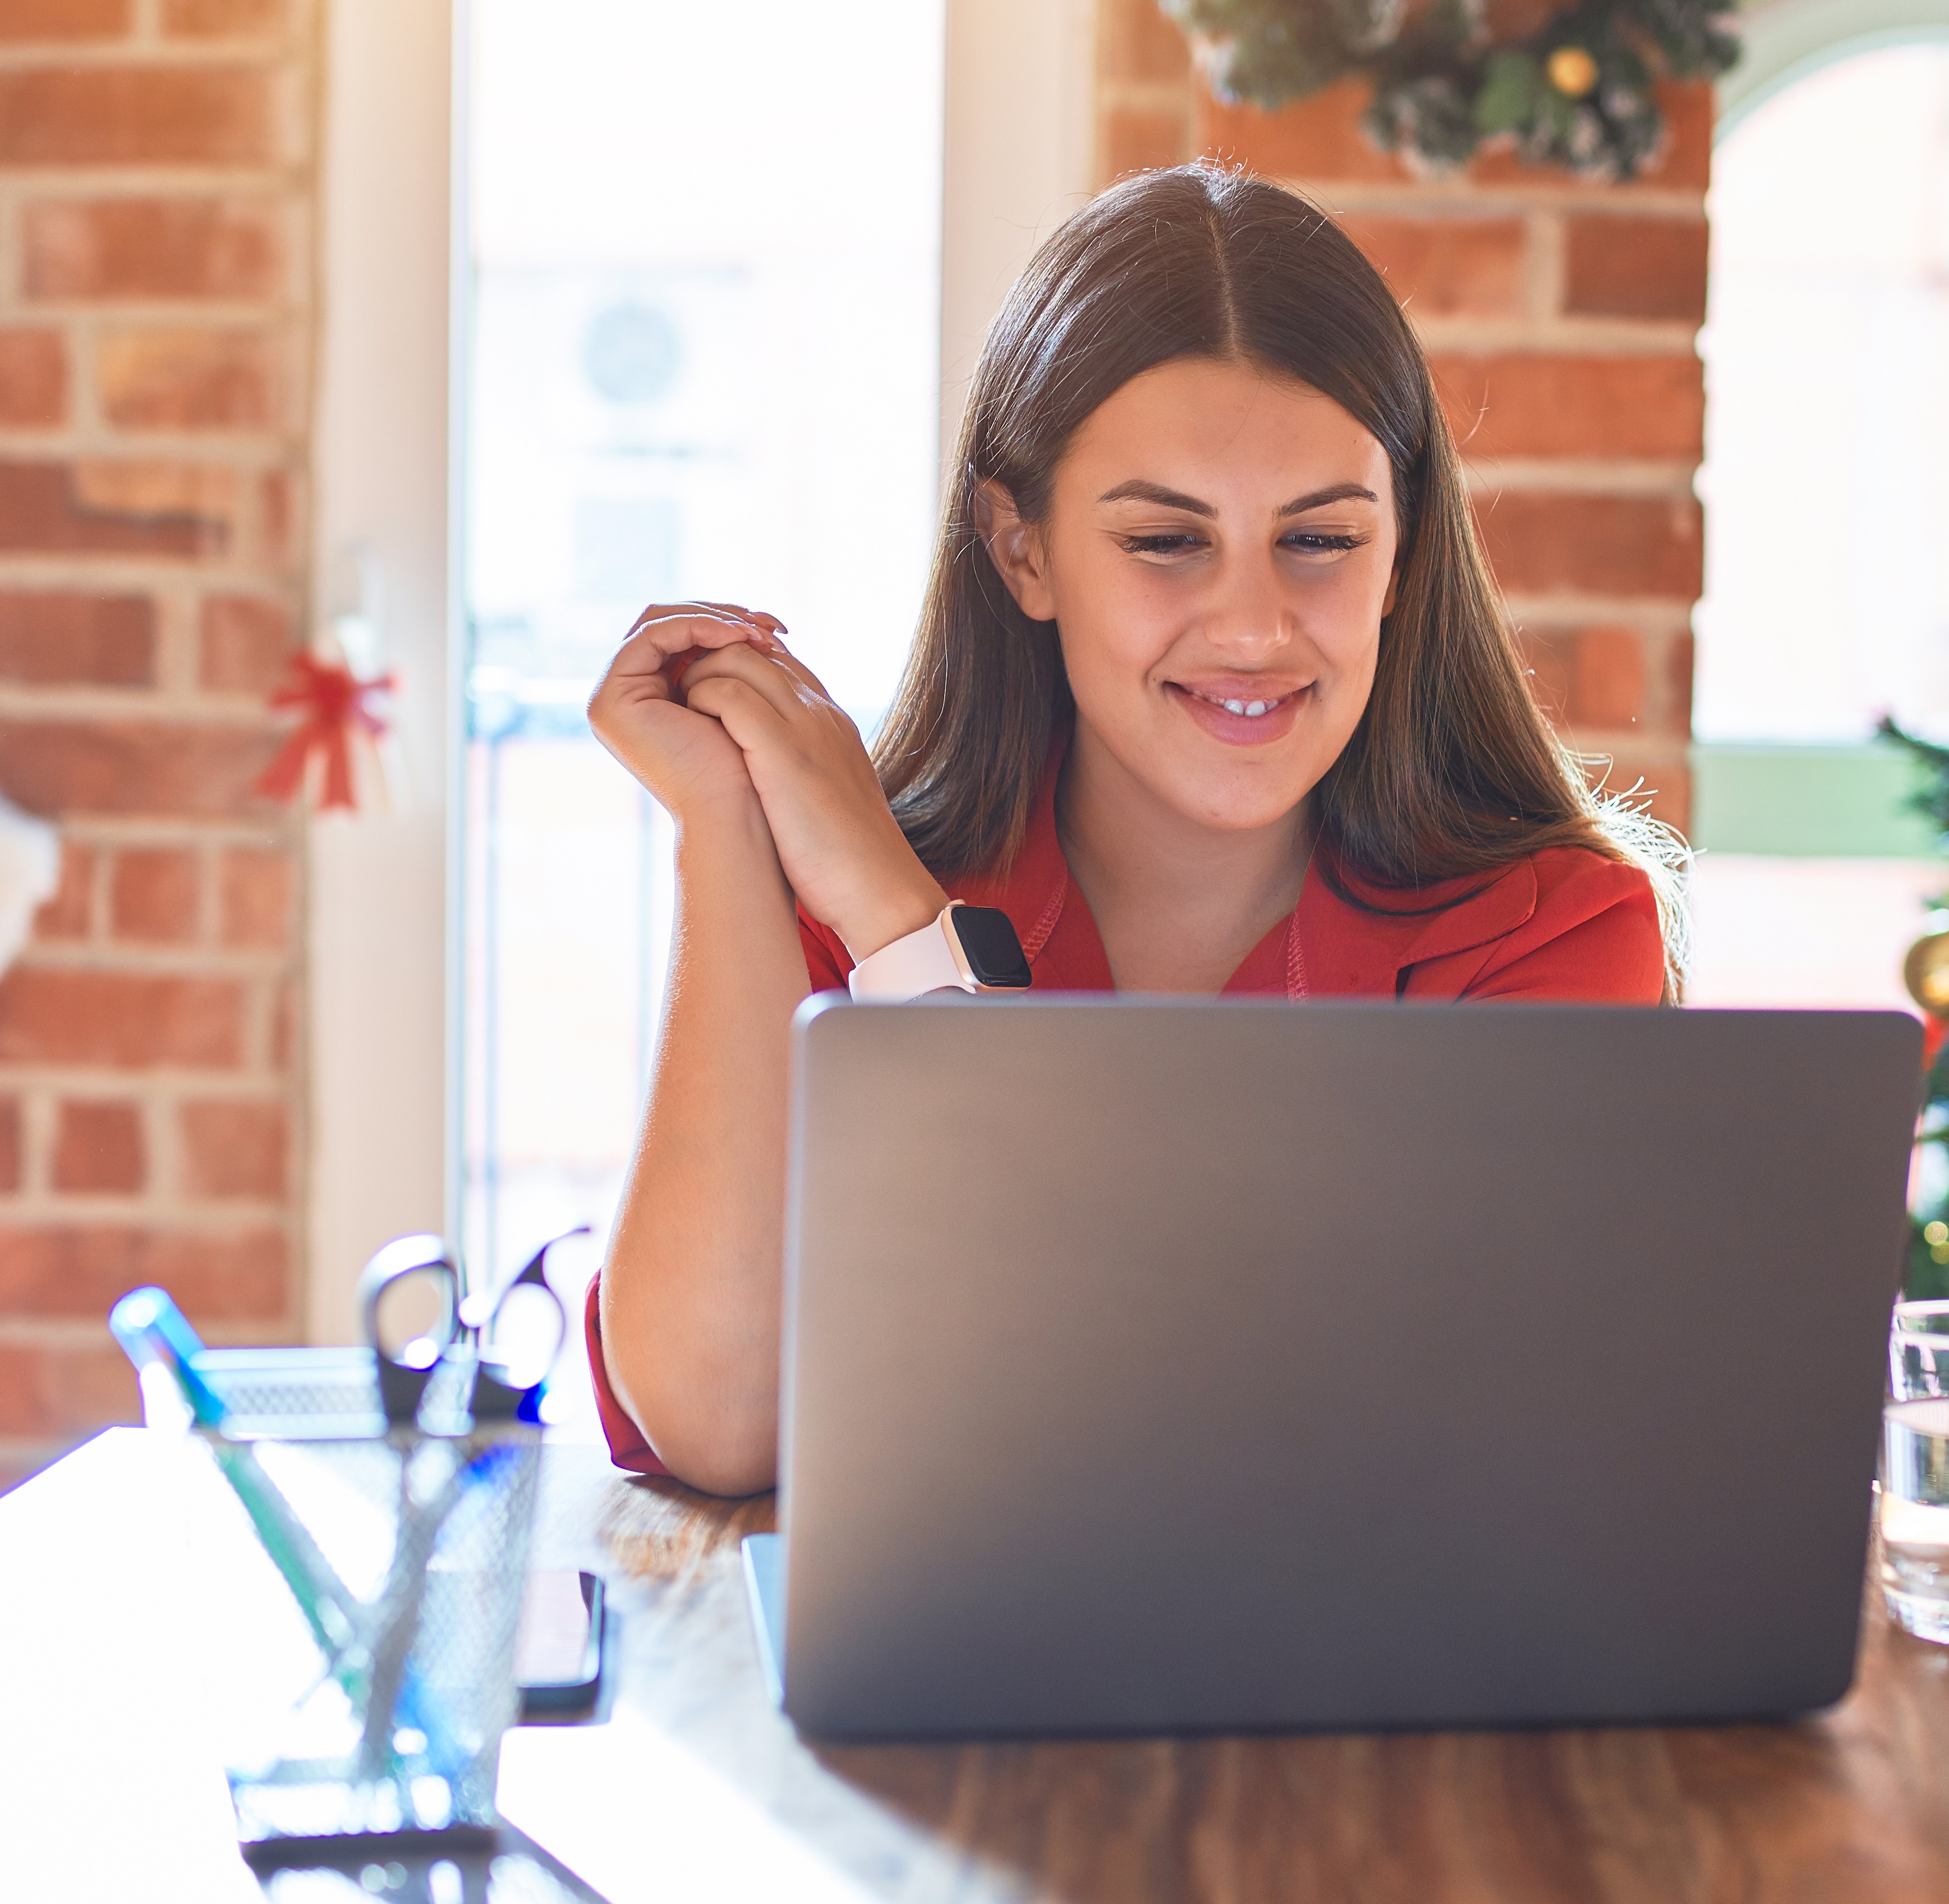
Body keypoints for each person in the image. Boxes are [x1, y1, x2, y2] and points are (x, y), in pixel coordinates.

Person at [583, 162, 1679, 1493]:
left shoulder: (1550, 937)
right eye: (1165, 541)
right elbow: (716, 1416)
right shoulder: (824, 891)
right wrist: (722, 825)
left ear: (1402, 553)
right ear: (1021, 552)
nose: (1253, 627)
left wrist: (900, 933)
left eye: (1320, 541)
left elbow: (1322, 1429)